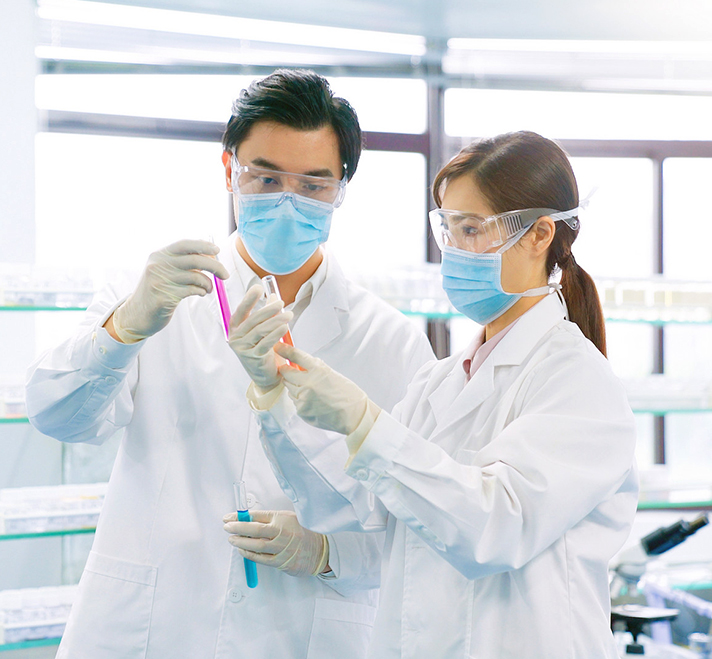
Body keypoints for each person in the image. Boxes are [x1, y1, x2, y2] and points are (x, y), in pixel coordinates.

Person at [25, 69, 434, 659]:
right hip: (154, 626)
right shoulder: (153, 293)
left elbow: (418, 530)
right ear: (228, 170)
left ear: (341, 188)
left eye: (313, 184)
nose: (288, 200)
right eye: (266, 178)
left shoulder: (391, 343)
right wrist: (125, 327)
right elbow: (56, 416)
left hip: (302, 631)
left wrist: (328, 553)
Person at [225, 130, 639, 658]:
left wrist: (365, 424)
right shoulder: (438, 383)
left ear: (539, 234)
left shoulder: (578, 382)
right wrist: (274, 396)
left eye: (472, 229)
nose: (455, 251)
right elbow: (358, 508)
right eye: (449, 229)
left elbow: (494, 527)